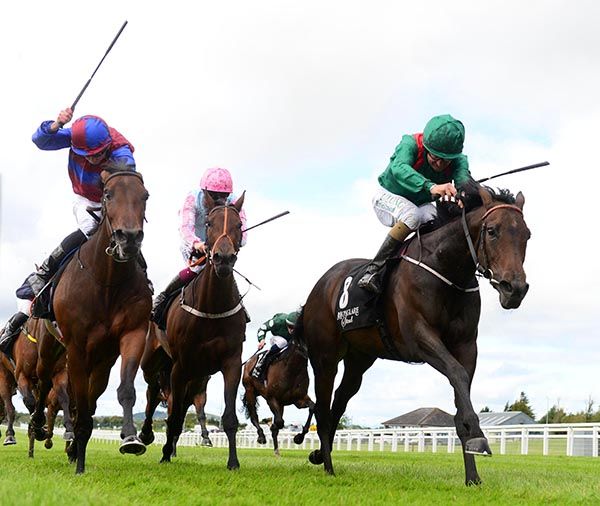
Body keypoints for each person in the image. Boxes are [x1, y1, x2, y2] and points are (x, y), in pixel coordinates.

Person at [0, 107, 136, 360]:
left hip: (114, 198)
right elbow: (40, 141)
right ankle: (42, 275)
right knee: (88, 229)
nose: (95, 159)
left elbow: (126, 177)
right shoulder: (73, 136)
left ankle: (143, 286)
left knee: (126, 234)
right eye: (90, 156)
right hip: (85, 199)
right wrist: (55, 124)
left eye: (100, 154)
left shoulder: (120, 149)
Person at [357, 114, 472, 294]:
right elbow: (399, 168)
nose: (440, 164)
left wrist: (464, 193)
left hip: (419, 204)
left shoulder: (459, 160)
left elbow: (463, 180)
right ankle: (373, 270)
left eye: (446, 159)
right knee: (413, 216)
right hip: (387, 196)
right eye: (435, 156)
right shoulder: (409, 144)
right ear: (426, 147)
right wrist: (431, 186)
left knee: (436, 220)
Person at [151, 167, 247, 318]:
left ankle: (240, 307)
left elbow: (243, 233)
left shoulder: (234, 201)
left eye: (224, 195)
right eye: (214, 195)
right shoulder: (192, 198)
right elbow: (185, 228)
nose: (220, 199)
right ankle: (163, 298)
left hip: (220, 245)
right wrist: (198, 244)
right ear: (204, 191)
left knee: (224, 270)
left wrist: (233, 243)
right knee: (199, 268)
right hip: (195, 242)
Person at [251, 311, 299, 381]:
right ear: (286, 323)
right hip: (277, 337)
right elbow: (263, 328)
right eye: (290, 327)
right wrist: (261, 340)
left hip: (290, 340)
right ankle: (261, 363)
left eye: (295, 328)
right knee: (283, 342)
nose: (292, 330)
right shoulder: (278, 321)